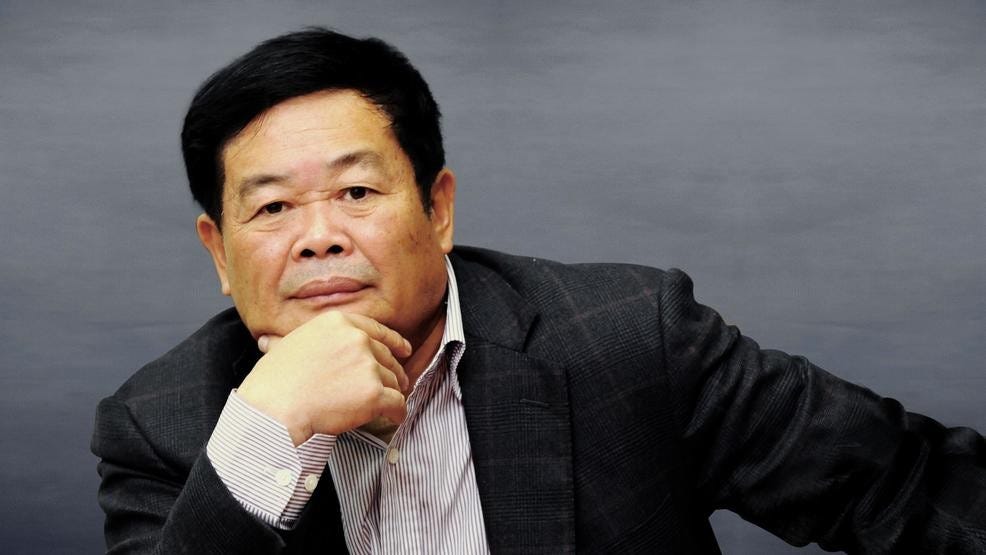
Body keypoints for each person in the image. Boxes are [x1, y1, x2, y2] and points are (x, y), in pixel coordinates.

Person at [91, 27, 986, 554]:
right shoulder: (162, 422)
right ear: (219, 251)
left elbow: (912, 488)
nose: (318, 234)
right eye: (273, 207)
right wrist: (269, 429)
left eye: (357, 192)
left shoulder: (630, 339)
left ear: (438, 208)